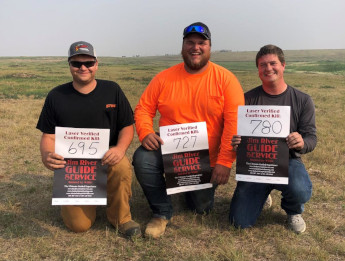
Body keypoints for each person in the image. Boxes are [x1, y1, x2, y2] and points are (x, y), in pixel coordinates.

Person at [132, 22, 245, 238]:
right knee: (143, 158)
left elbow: (234, 123)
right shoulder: (164, 78)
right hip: (168, 151)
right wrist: (146, 131)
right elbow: (143, 108)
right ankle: (161, 212)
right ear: (182, 46)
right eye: (190, 42)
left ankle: (187, 188)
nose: (195, 47)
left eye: (201, 43)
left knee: (201, 209)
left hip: (207, 160)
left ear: (210, 47)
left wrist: (224, 162)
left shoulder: (226, 80)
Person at [36, 41, 141, 238]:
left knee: (122, 166)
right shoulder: (56, 95)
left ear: (96, 64)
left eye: (88, 63)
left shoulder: (113, 90)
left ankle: (121, 218)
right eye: (76, 64)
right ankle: (86, 198)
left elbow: (127, 126)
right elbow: (48, 135)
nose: (83, 67)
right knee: (79, 226)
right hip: (73, 166)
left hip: (107, 156)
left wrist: (119, 149)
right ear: (69, 66)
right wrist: (47, 155)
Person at [229, 44, 317, 233]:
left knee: (300, 188)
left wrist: (302, 143)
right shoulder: (246, 99)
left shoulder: (302, 100)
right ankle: (262, 194)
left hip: (288, 161)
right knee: (239, 222)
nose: (268, 68)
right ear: (258, 70)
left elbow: (311, 138)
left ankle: (293, 210)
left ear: (283, 65)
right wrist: (235, 141)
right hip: (255, 165)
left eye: (272, 63)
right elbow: (234, 133)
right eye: (262, 65)